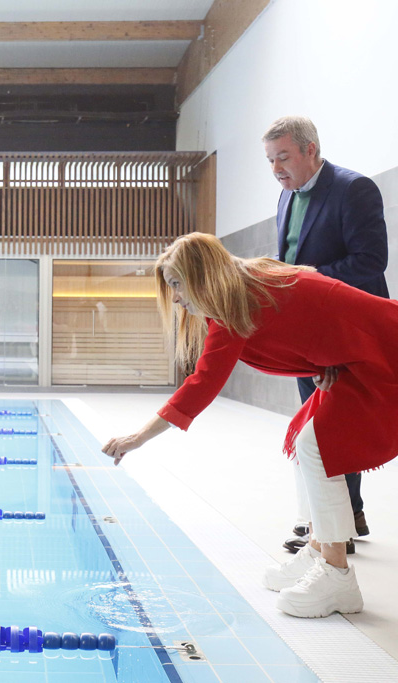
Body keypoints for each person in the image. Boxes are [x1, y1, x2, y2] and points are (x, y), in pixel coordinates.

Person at [101, 232, 398, 618]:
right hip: (362, 353)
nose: (174, 297)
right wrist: (330, 360)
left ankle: (337, 576)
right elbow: (318, 314)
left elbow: (202, 383)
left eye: (176, 284)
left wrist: (137, 438)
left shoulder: (237, 305)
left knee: (316, 446)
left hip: (383, 352)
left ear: (200, 276)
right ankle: (317, 551)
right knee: (301, 440)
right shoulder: (246, 285)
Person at [263, 115, 388, 555]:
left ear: (310, 149)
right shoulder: (286, 197)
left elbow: (371, 262)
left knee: (331, 431)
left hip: (348, 329)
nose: (276, 168)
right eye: (271, 160)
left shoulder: (353, 189)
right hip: (306, 332)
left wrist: (306, 277)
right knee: (315, 426)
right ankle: (344, 515)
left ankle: (331, 530)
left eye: (283, 157)